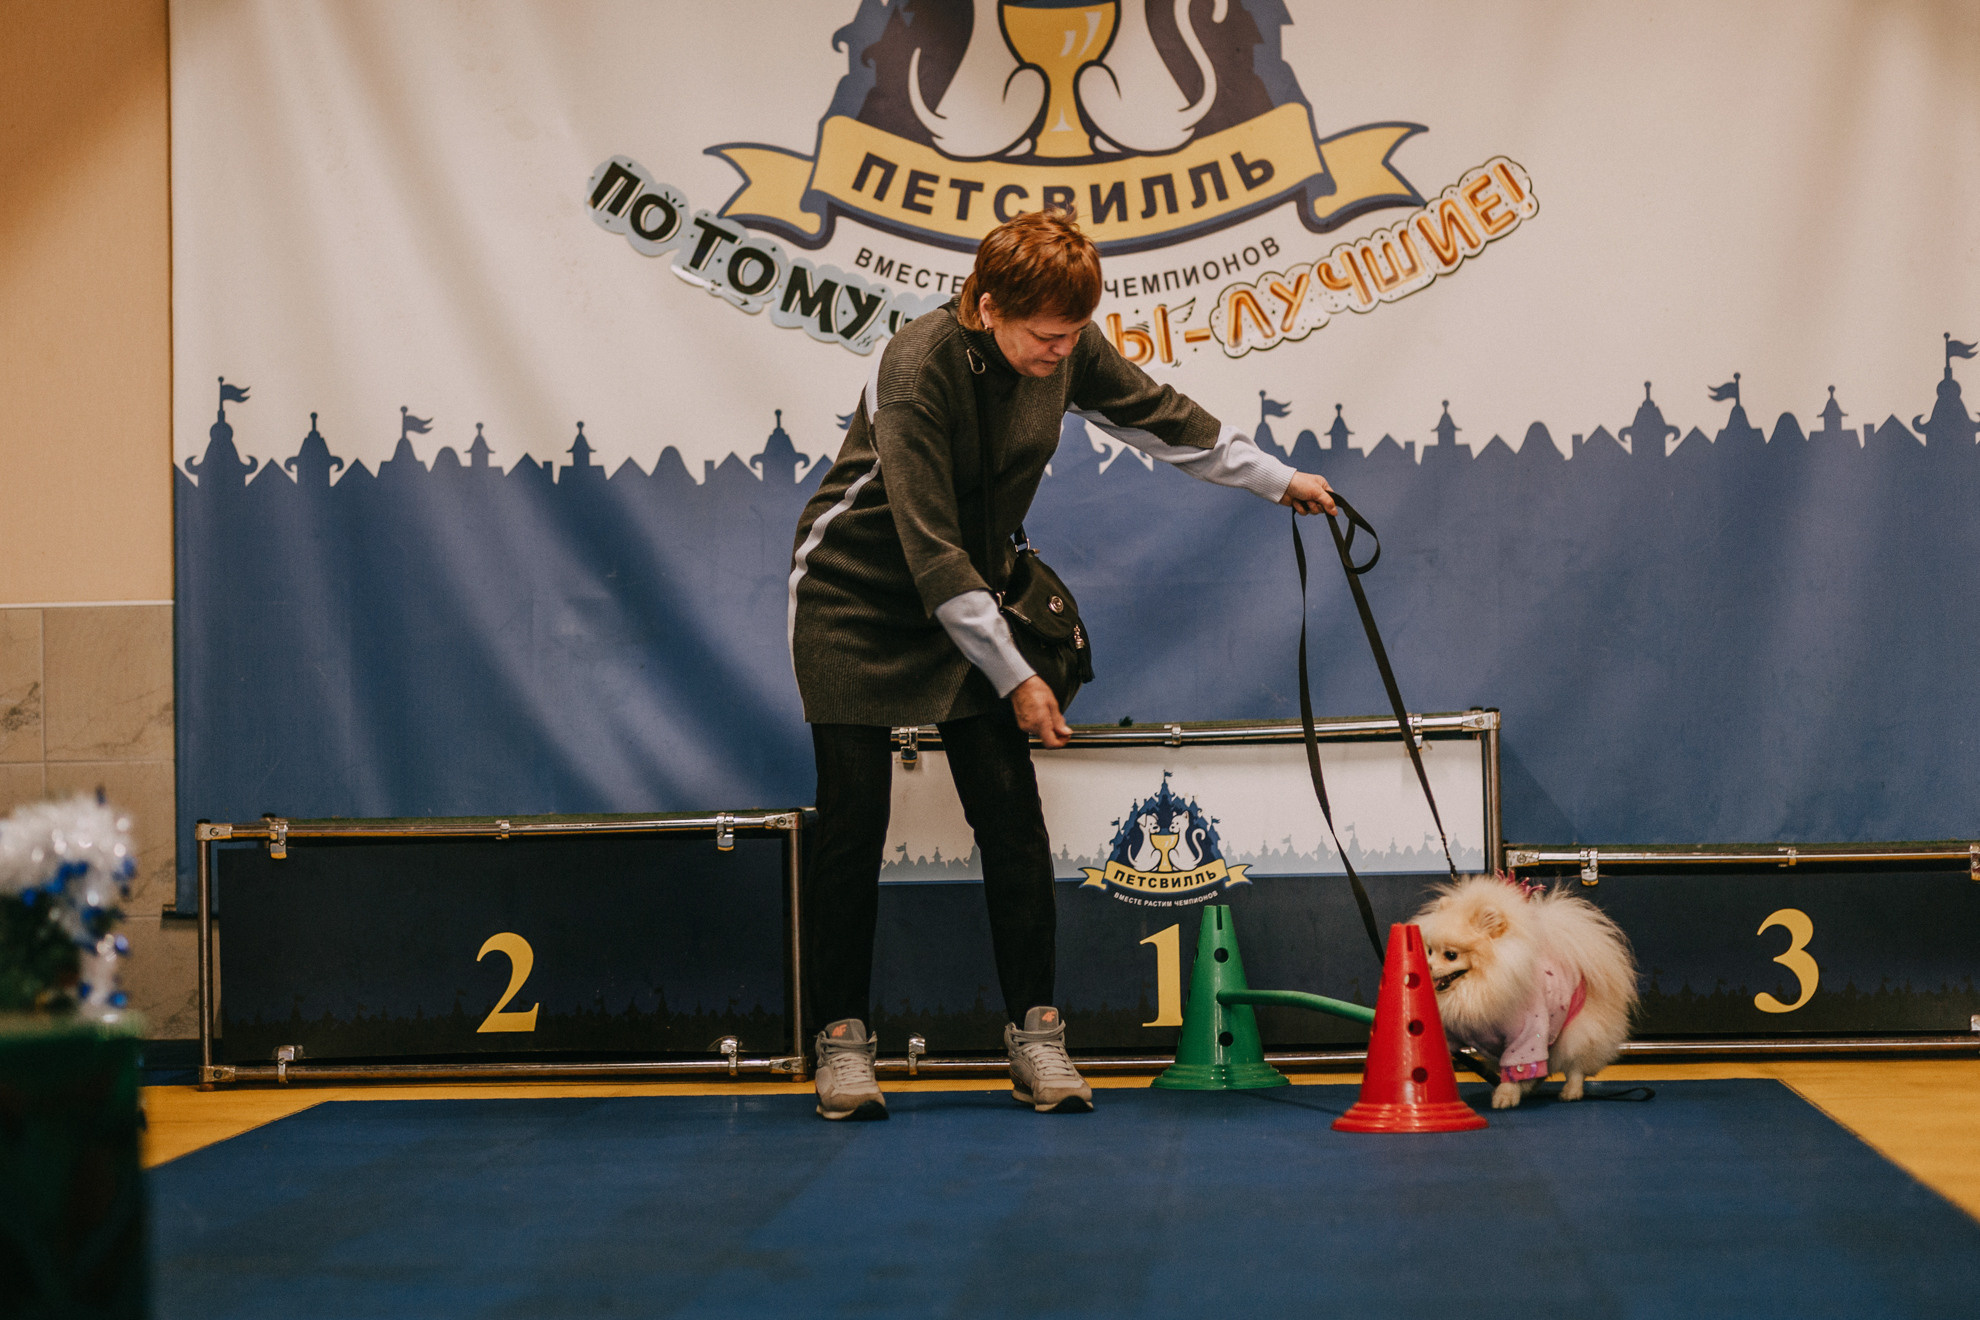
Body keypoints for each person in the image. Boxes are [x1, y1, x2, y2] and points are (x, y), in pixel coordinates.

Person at [788, 209, 1337, 1120]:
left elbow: (1162, 417)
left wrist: (1280, 481)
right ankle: (842, 1047)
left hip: (975, 601)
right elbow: (932, 557)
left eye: (1075, 332)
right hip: (857, 601)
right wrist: (1021, 676)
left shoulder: (1066, 344)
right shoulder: (914, 369)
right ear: (986, 302)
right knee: (853, 828)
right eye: (1047, 334)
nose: (1063, 349)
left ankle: (1037, 1040)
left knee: (1012, 823)